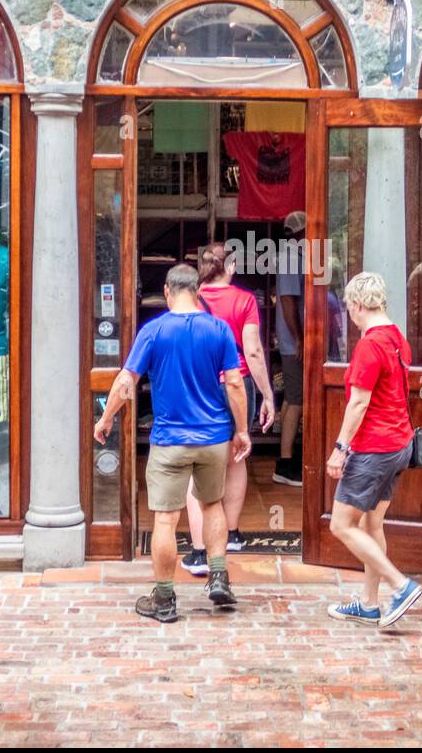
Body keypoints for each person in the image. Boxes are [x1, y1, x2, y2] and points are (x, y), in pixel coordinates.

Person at [93, 264, 251, 623]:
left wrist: (105, 420)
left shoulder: (154, 331)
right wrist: (241, 431)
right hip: (213, 437)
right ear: (197, 292)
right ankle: (218, 576)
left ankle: (164, 599)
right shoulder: (219, 329)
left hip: (170, 441)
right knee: (213, 507)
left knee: (165, 520)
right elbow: (235, 384)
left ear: (167, 291)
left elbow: (124, 383)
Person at [325, 272, 422, 629]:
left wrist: (340, 449)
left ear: (359, 304)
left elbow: (358, 403)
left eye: (350, 306)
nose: (349, 314)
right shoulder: (397, 338)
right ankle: (368, 604)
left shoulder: (369, 345)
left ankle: (400, 585)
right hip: (399, 443)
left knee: (341, 524)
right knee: (372, 522)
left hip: (375, 447)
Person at [181, 243, 276, 575]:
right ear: (231, 267)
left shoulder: (190, 298)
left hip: (201, 383)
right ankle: (232, 533)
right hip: (239, 384)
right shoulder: (245, 300)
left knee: (200, 462)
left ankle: (198, 551)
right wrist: (267, 395)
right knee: (237, 455)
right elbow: (252, 352)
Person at [273, 211, 306, 486]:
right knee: (297, 399)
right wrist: (299, 339)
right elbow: (288, 301)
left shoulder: (293, 255)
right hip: (292, 342)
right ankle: (285, 463)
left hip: (290, 340)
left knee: (290, 399)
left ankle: (284, 455)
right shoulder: (290, 256)